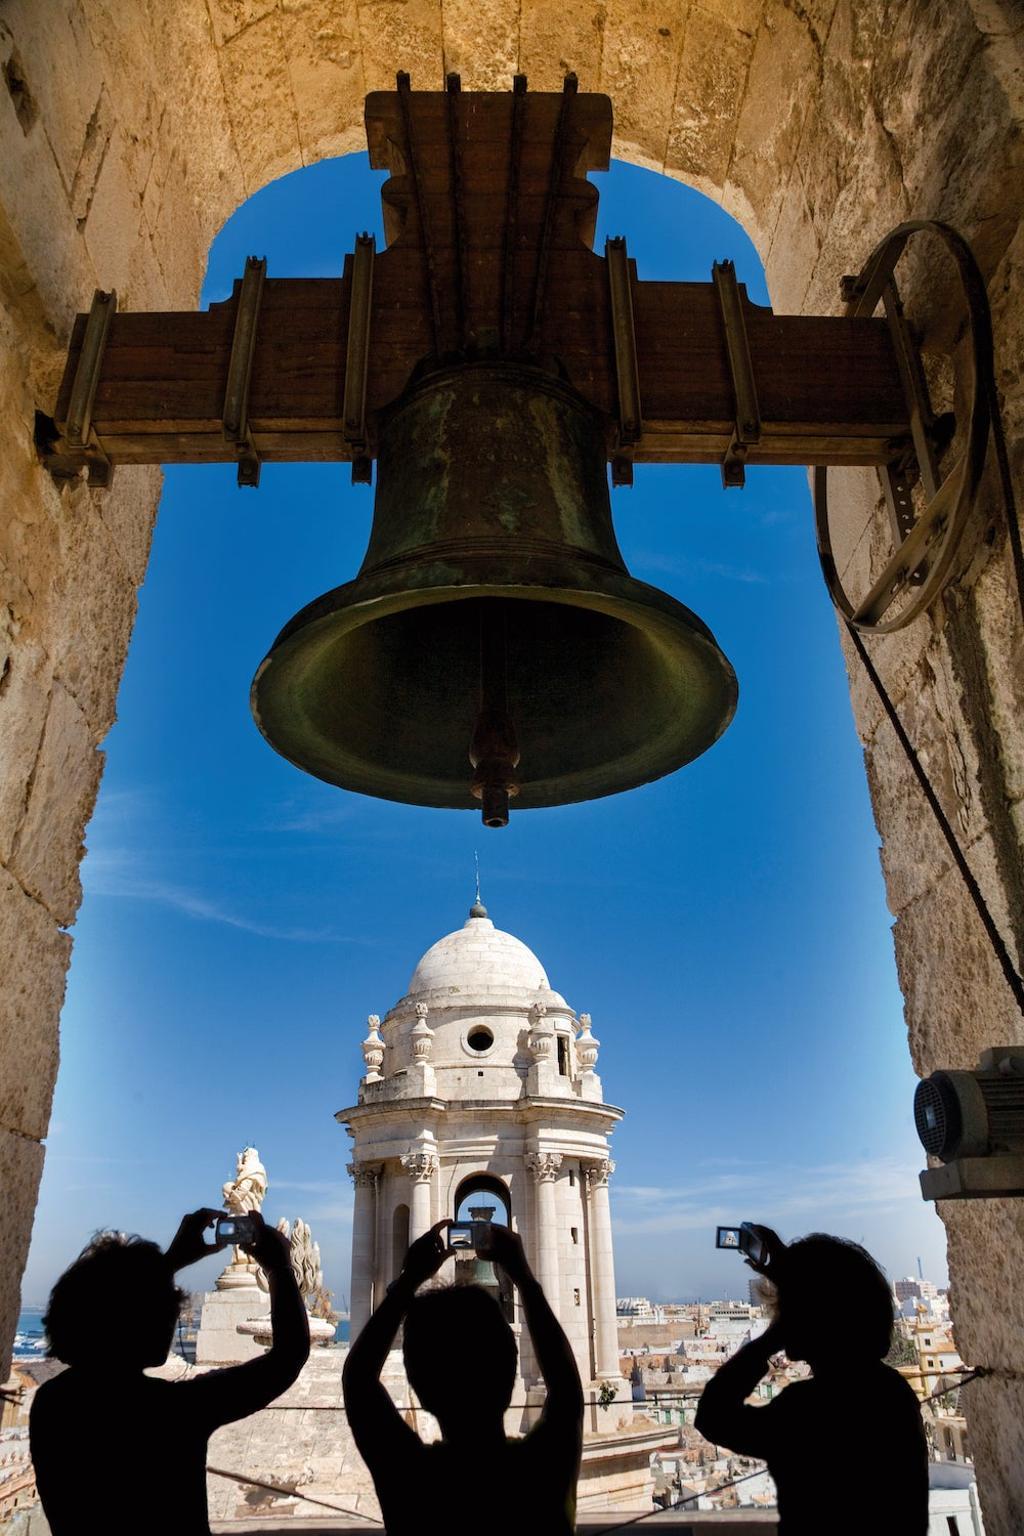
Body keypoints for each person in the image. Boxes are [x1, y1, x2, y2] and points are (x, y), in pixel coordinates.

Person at [31, 1208, 310, 1536]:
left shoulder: (51, 1402)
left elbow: (117, 1302)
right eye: (168, 1306)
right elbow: (288, 1356)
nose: (173, 1316)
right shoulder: (172, 1410)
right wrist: (279, 1268)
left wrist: (171, 1261)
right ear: (144, 1321)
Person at [343, 1219, 583, 1535]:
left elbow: (358, 1379)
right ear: (509, 1366)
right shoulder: (543, 1470)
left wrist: (409, 1280)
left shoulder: (411, 1480)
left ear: (419, 1386)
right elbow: (567, 1387)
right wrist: (523, 1277)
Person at [694, 1227, 928, 1534]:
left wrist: (769, 1340)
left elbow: (712, 1417)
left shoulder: (808, 1409)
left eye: (788, 1305)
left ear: (810, 1315)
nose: (780, 1312)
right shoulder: (893, 1392)